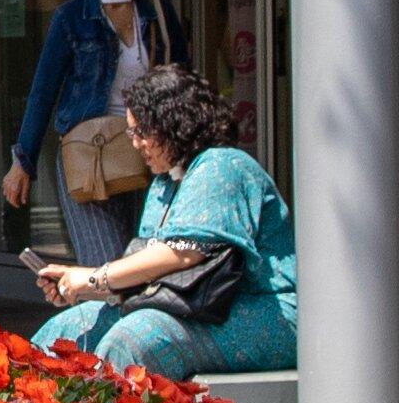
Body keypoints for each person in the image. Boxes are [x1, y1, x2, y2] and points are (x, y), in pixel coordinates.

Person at [30, 66, 292, 378]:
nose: (135, 143)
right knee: (67, 330)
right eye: (131, 132)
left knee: (130, 341)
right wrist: (75, 285)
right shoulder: (165, 181)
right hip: (199, 308)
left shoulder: (223, 166)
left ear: (175, 124)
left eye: (141, 132)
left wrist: (92, 278)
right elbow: (152, 277)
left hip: (260, 309)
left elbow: (182, 254)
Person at [2, 0, 189, 274]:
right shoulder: (72, 17)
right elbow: (43, 91)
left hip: (150, 152)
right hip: (90, 153)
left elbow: (181, 84)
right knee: (104, 266)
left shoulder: (158, 12)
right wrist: (22, 160)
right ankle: (102, 330)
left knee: (145, 266)